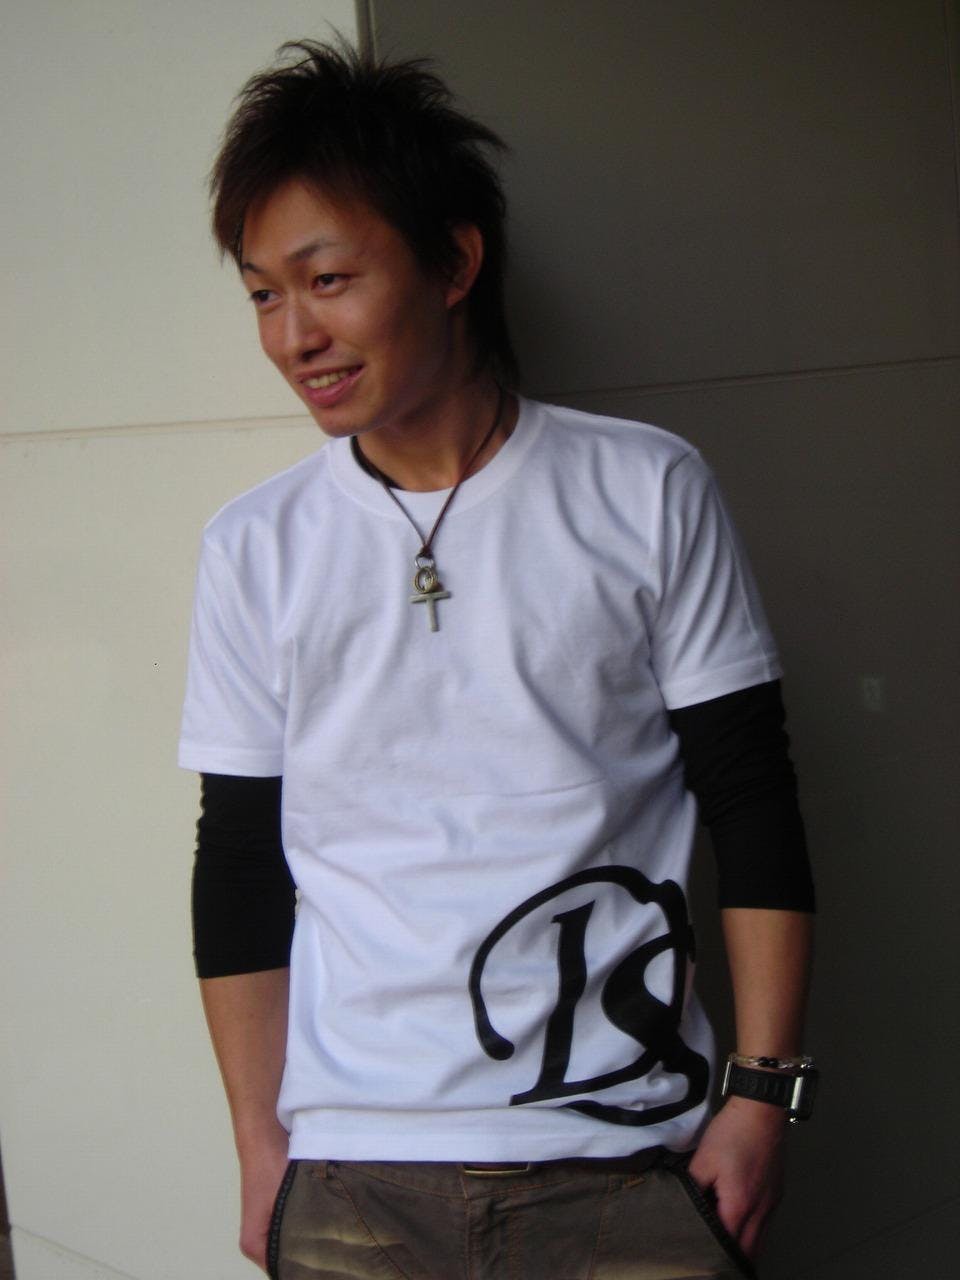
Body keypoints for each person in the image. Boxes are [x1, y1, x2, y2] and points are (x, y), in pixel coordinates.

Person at [179, 39, 816, 1280]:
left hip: (629, 1160)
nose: (295, 334)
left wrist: (765, 1094)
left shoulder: (643, 487)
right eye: (261, 294)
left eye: (328, 279)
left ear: (456, 262)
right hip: (354, 1171)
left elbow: (753, 795)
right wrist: (260, 1146)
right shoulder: (256, 545)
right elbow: (240, 858)